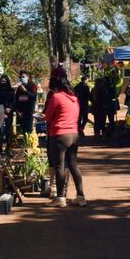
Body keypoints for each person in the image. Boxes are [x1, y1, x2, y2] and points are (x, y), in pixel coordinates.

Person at [44, 76, 86, 208]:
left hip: (59, 134)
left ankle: (60, 197)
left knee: (59, 166)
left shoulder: (56, 97)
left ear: (55, 87)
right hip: (73, 134)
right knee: (73, 165)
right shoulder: (74, 99)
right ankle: (80, 196)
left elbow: (48, 116)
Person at [0, 75, 14, 151]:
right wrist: (3, 109)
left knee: (8, 131)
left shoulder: (11, 91)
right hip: (0, 113)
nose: (3, 82)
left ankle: (8, 148)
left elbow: (13, 101)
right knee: (0, 131)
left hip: (9, 113)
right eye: (1, 81)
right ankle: (0, 148)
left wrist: (9, 108)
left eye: (4, 81)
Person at [14, 70, 37, 134]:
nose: (21, 78)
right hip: (21, 112)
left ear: (28, 77)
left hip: (29, 111)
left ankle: (29, 143)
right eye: (20, 77)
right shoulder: (19, 87)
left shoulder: (32, 86)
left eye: (23, 77)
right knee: (23, 130)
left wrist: (25, 90)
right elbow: (16, 99)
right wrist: (17, 111)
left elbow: (33, 97)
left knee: (28, 129)